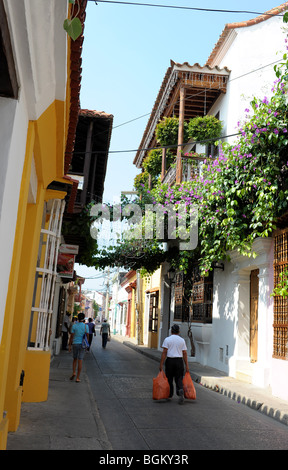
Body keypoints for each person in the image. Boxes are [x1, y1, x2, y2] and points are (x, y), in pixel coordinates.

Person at [159, 324, 189, 404]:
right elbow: (185, 353)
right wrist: (187, 365)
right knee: (179, 378)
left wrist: (161, 364)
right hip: (179, 361)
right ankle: (180, 391)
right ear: (178, 331)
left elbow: (164, 352)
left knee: (169, 378)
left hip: (170, 361)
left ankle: (170, 394)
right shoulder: (182, 340)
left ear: (171, 331)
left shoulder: (167, 340)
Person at [68, 312, 89, 383]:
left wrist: (69, 345)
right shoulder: (86, 327)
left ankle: (74, 372)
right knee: (80, 360)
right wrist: (86, 345)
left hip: (75, 344)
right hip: (82, 345)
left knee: (75, 359)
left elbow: (71, 337)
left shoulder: (74, 326)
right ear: (83, 318)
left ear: (78, 318)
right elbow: (87, 337)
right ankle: (77, 377)